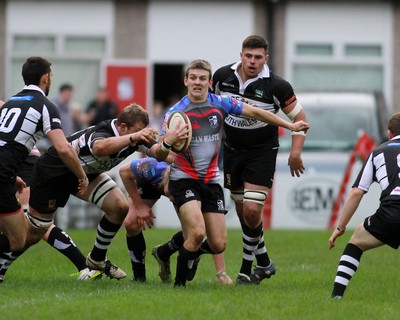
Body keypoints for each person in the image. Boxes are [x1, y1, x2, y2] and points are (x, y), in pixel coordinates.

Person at [158, 59, 309, 287]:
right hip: (184, 180)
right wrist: (167, 143)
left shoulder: (221, 102)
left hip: (211, 181)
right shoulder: (175, 114)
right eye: (193, 78)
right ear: (186, 80)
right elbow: (158, 153)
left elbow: (255, 112)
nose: (197, 83)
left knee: (218, 244)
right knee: (197, 234)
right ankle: (179, 286)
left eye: (202, 78)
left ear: (210, 82)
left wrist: (289, 126)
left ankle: (169, 251)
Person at [1, 102, 188, 281]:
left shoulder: (134, 137)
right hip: (54, 172)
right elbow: (100, 148)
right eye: (137, 131)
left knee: (120, 207)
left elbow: (158, 153)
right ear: (122, 127)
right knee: (32, 233)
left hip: (85, 174)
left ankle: (96, 259)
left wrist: (167, 144)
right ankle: (2, 268)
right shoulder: (103, 132)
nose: (141, 135)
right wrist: (134, 137)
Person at [211, 35, 308, 285]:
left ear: (266, 58)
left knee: (253, 210)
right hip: (231, 150)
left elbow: (300, 120)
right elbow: (208, 108)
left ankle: (246, 268)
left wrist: (295, 152)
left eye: (258, 57)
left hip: (261, 152)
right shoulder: (222, 77)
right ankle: (264, 262)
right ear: (241, 55)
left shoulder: (277, 86)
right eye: (248, 56)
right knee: (244, 213)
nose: (252, 61)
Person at [0, 57, 89, 278]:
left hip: (6, 175)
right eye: (51, 75)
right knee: (18, 240)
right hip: (2, 175)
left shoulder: (11, 102)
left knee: (17, 235)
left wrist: (12, 178)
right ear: (45, 77)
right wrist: (81, 175)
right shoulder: (44, 105)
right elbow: (64, 148)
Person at [119, 156, 233, 285]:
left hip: (179, 185)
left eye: (172, 196)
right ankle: (139, 277)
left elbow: (213, 228)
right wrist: (139, 206)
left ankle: (163, 252)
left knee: (191, 235)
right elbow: (124, 172)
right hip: (148, 184)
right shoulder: (150, 167)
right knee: (131, 223)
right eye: (169, 194)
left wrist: (221, 272)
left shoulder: (185, 181)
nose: (170, 199)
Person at [0, 146, 101, 282]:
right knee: (20, 226)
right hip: (12, 162)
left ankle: (86, 267)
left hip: (22, 161)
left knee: (32, 224)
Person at [328, 113, 400, 299]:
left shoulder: (378, 152)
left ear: (390, 134)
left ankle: (336, 296)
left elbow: (357, 192)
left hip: (392, 211)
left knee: (356, 243)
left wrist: (340, 227)